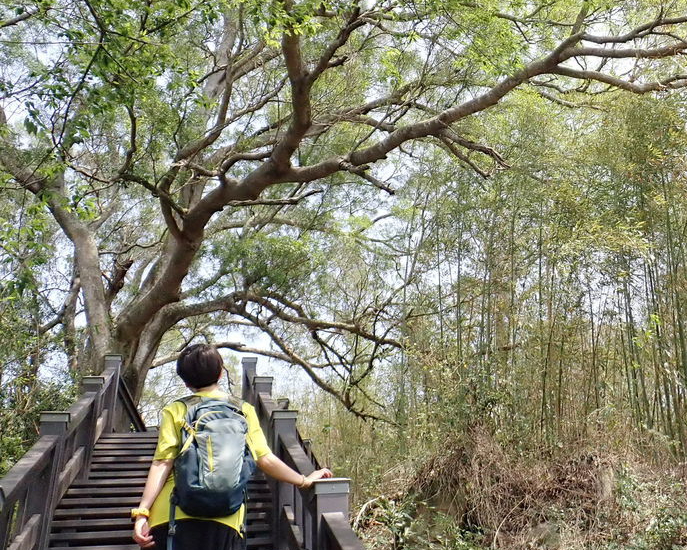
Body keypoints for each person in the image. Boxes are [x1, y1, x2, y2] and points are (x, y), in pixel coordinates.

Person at [132, 344, 332, 549]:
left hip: (171, 515)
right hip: (226, 516)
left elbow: (162, 463)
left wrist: (142, 513)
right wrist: (304, 480)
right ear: (220, 373)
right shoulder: (243, 410)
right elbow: (265, 459)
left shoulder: (176, 409)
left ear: (185, 382)